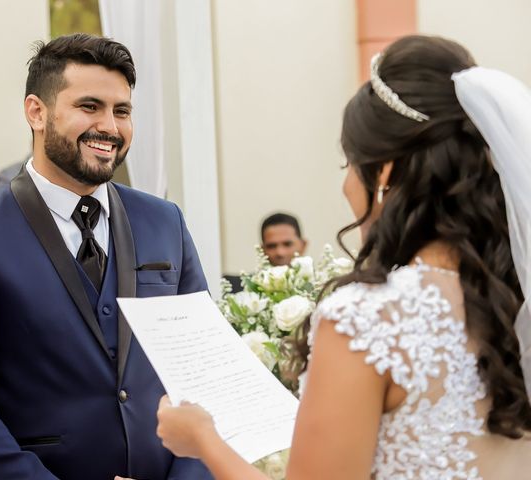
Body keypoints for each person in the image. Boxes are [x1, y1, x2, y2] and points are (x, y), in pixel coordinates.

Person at [154, 35, 531, 479]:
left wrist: (203, 440)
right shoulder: (513, 302)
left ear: (384, 173)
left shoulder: (368, 318)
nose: (346, 183)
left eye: (348, 164)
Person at [0, 34, 212, 480]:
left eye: (122, 111)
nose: (111, 128)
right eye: (89, 107)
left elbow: (202, 367)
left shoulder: (164, 222)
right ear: (36, 112)